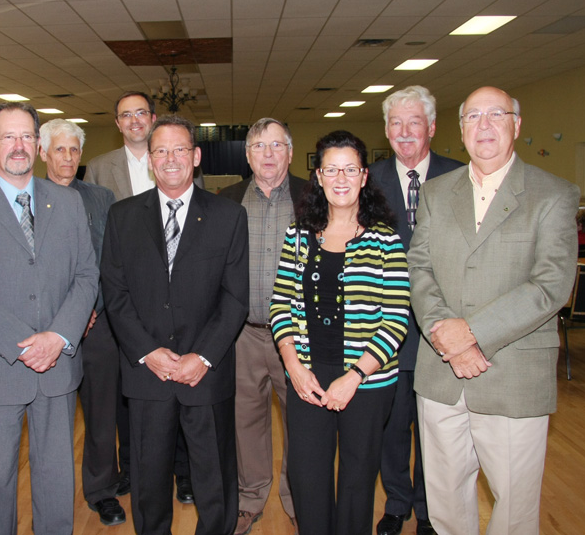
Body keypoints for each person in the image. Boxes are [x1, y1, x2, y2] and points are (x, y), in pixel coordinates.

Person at [407, 86, 579, 535]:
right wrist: (445, 332)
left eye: (495, 115)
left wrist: (471, 334)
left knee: (515, 508)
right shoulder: (437, 192)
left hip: (512, 374)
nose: (484, 126)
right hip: (440, 373)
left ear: (516, 126)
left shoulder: (553, 194)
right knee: (444, 499)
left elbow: (550, 286)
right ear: (460, 130)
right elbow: (419, 266)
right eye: (472, 117)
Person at [0, 102, 98, 534]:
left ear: (38, 144)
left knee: (54, 479)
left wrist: (59, 337)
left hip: (57, 367)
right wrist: (27, 343)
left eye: (27, 136)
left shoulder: (67, 204)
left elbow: (86, 275)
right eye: (8, 137)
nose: (18, 146)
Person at [101, 115, 249, 535]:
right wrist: (148, 352)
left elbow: (234, 297)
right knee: (148, 481)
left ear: (196, 156)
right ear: (149, 160)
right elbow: (115, 293)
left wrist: (202, 355)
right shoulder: (122, 217)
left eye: (180, 149)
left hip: (206, 371)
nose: (170, 159)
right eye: (161, 151)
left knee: (214, 479)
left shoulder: (228, 216)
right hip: (147, 372)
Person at [271, 130, 409, 535]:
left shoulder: (385, 239)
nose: (341, 178)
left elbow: (396, 317)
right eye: (331, 169)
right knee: (307, 476)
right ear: (318, 176)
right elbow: (280, 304)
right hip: (308, 378)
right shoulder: (298, 234)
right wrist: (294, 367)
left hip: (366, 381)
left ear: (365, 176)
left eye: (350, 169)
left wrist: (355, 376)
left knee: (356, 481)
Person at [84, 91, 196, 502]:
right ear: (117, 123)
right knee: (134, 400)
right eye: (125, 115)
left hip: (179, 305)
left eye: (140, 113)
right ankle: (134, 470)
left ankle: (183, 472)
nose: (133, 121)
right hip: (130, 305)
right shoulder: (97, 169)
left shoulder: (177, 160)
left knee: (182, 394)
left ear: (151, 118)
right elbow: (99, 243)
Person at [367, 86, 463, 535]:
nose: (405, 133)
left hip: (440, 331)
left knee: (435, 429)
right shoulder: (369, 182)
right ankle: (397, 503)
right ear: (386, 130)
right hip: (385, 328)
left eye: (414, 123)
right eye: (396, 124)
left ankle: (428, 509)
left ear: (432, 127)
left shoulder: (459, 177)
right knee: (392, 425)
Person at [217, 118, 305, 535]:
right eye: (259, 146)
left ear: (289, 151)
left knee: (302, 421)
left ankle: (297, 498)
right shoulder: (227, 200)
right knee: (245, 419)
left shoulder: (315, 198)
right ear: (247, 154)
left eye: (276, 145)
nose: (268, 154)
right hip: (244, 334)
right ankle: (250, 498)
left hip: (301, 337)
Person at [38, 118, 126, 527]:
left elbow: (111, 261)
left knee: (102, 414)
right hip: (45, 330)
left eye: (75, 150)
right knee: (52, 421)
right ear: (43, 154)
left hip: (97, 326)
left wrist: (93, 308)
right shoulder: (27, 200)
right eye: (60, 150)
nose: (69, 158)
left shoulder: (101, 198)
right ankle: (50, 497)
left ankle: (102, 489)